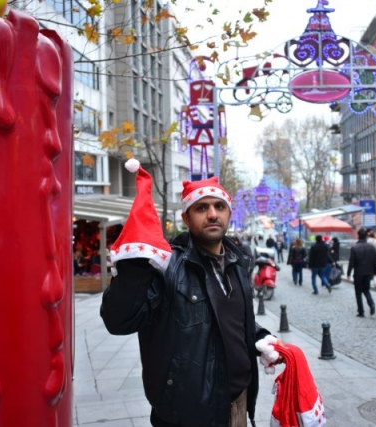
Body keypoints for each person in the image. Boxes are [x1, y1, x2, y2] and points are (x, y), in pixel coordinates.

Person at [100, 161, 276, 427]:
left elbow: (230, 320)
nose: (212, 214)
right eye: (201, 208)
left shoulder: (238, 264)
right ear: (186, 217)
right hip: (188, 414)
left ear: (229, 213)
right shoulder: (168, 267)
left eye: (219, 207)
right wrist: (134, 266)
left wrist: (260, 336)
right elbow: (118, 321)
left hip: (238, 404)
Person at [347, 228, 376, 317]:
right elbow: (375, 260)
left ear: (358, 236)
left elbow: (351, 262)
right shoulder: (371, 247)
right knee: (366, 290)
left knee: (358, 292)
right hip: (368, 272)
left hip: (358, 273)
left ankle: (361, 311)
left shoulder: (355, 247)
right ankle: (371, 304)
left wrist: (348, 273)